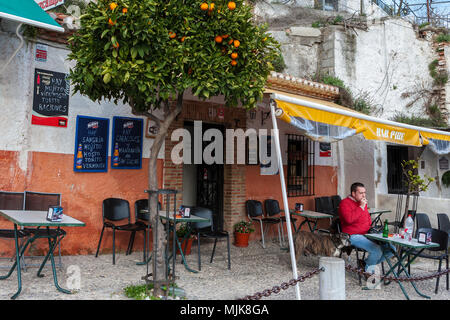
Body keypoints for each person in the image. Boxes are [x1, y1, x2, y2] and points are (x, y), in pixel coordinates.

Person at [338, 182, 394, 276]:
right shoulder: (344, 203)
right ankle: (368, 271)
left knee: (391, 249)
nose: (363, 195)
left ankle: (365, 264)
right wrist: (361, 207)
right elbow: (349, 220)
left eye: (364, 192)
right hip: (352, 235)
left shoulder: (362, 203)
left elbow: (367, 219)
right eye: (361, 193)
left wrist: (372, 230)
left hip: (367, 233)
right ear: (353, 193)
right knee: (376, 250)